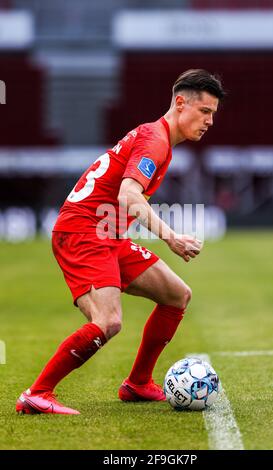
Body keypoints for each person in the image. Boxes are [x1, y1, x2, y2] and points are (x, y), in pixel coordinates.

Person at [16, 69, 225, 415]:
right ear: (180, 103)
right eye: (205, 112)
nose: (209, 121)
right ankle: (37, 393)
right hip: (84, 232)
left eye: (213, 115)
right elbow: (130, 195)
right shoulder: (155, 141)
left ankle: (138, 383)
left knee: (177, 295)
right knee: (108, 321)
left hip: (108, 233)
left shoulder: (157, 139)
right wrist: (170, 237)